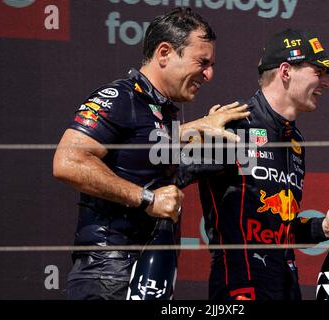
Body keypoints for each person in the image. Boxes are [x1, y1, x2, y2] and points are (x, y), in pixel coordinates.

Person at [52, 7, 249, 300]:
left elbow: (144, 150)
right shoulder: (120, 98)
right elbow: (67, 162)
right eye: (202, 62)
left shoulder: (161, 111)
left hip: (149, 270)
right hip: (109, 271)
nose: (209, 74)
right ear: (165, 53)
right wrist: (148, 199)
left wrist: (200, 132)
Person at [179, 29, 329, 300]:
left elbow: (279, 232)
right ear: (286, 71)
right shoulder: (235, 125)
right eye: (318, 72)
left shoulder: (295, 139)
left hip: (286, 286)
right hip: (241, 287)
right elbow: (159, 172)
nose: (326, 83)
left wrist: (322, 227)